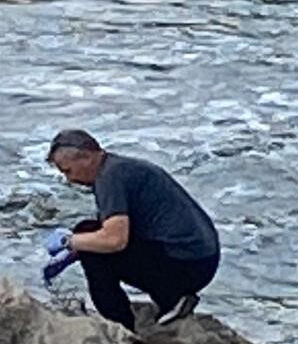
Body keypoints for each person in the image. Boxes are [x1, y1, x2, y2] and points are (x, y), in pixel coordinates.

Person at [43, 128, 220, 331]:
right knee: (88, 232)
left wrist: (69, 241)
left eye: (68, 171)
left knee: (92, 250)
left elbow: (115, 240)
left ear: (86, 158)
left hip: (187, 265)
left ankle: (121, 326)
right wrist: (73, 252)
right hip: (200, 257)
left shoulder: (109, 178)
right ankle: (170, 297)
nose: (69, 180)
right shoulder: (119, 168)